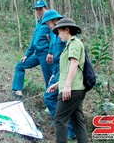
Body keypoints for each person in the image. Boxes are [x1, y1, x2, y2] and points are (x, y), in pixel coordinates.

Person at [47, 18, 88, 142]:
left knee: (60, 119)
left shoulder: (74, 43)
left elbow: (74, 64)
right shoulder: (68, 46)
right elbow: (67, 70)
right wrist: (59, 84)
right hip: (73, 88)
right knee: (77, 122)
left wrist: (67, 86)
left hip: (72, 89)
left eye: (59, 32)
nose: (58, 35)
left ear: (67, 30)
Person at [42, 10, 76, 140]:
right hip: (58, 71)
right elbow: (57, 56)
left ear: (54, 20)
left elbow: (70, 56)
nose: (48, 25)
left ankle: (68, 129)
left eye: (49, 22)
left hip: (65, 72)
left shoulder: (66, 33)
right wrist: (54, 72)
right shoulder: (55, 34)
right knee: (55, 98)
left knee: (50, 96)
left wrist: (63, 76)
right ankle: (60, 122)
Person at [12, 0, 54, 99]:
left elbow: (54, 38)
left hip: (46, 54)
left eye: (41, 9)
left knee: (49, 78)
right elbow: (34, 41)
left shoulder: (50, 22)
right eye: (37, 10)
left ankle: (51, 100)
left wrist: (51, 52)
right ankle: (17, 90)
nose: (39, 11)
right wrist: (27, 54)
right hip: (37, 53)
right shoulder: (39, 23)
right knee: (20, 65)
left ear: (46, 8)